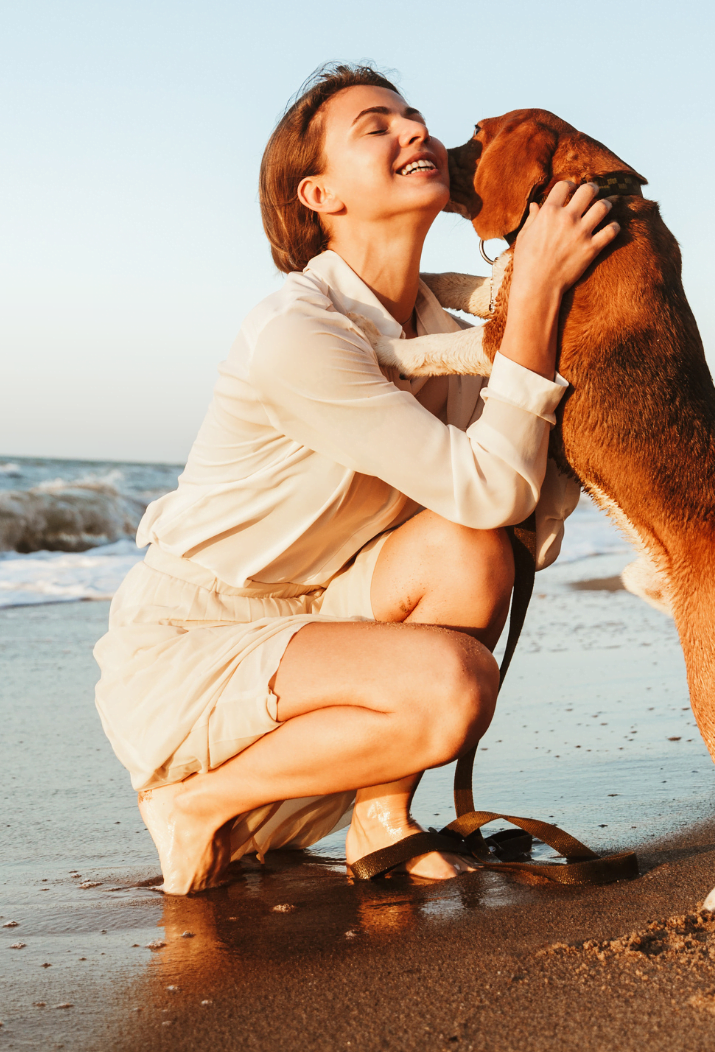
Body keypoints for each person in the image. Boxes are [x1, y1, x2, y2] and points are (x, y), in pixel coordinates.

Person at [93, 64, 616, 893]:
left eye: (413, 117)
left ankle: (380, 816)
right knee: (454, 688)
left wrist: (536, 293)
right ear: (320, 196)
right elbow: (495, 486)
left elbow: (514, 520)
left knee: (473, 551)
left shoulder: (437, 329)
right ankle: (198, 803)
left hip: (327, 621)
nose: (414, 131)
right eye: (376, 126)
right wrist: (538, 292)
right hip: (199, 644)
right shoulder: (297, 331)